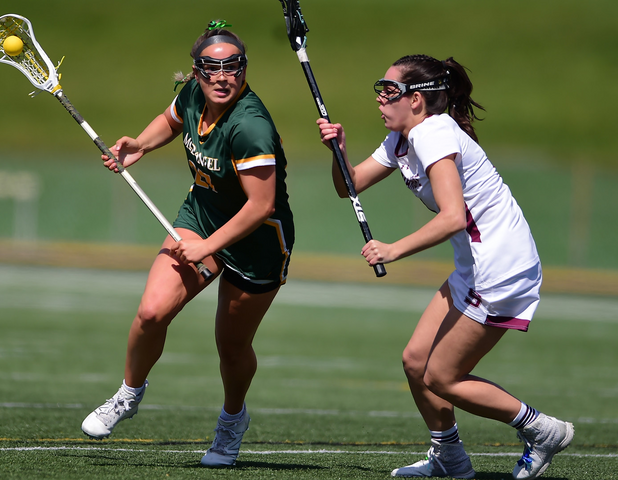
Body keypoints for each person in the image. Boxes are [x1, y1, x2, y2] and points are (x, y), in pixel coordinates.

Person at [317, 54, 573, 479]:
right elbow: (349, 185)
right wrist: (338, 151)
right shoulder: (403, 137)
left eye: (389, 91)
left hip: (500, 266)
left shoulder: (434, 134)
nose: (380, 99)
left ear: (417, 100)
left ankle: (542, 430)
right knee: (416, 361)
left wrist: (393, 250)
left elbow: (453, 216)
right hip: (474, 263)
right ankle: (449, 458)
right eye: (380, 89)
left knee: (441, 376)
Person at [81, 20, 294, 468]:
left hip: (257, 243)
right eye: (211, 68)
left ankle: (233, 420)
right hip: (201, 216)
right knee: (152, 311)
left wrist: (207, 248)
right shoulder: (195, 94)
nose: (222, 76)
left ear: (244, 68)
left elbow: (260, 205)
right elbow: (170, 119)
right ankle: (129, 393)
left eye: (232, 66)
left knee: (231, 347)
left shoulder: (250, 126)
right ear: (195, 71)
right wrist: (140, 144)